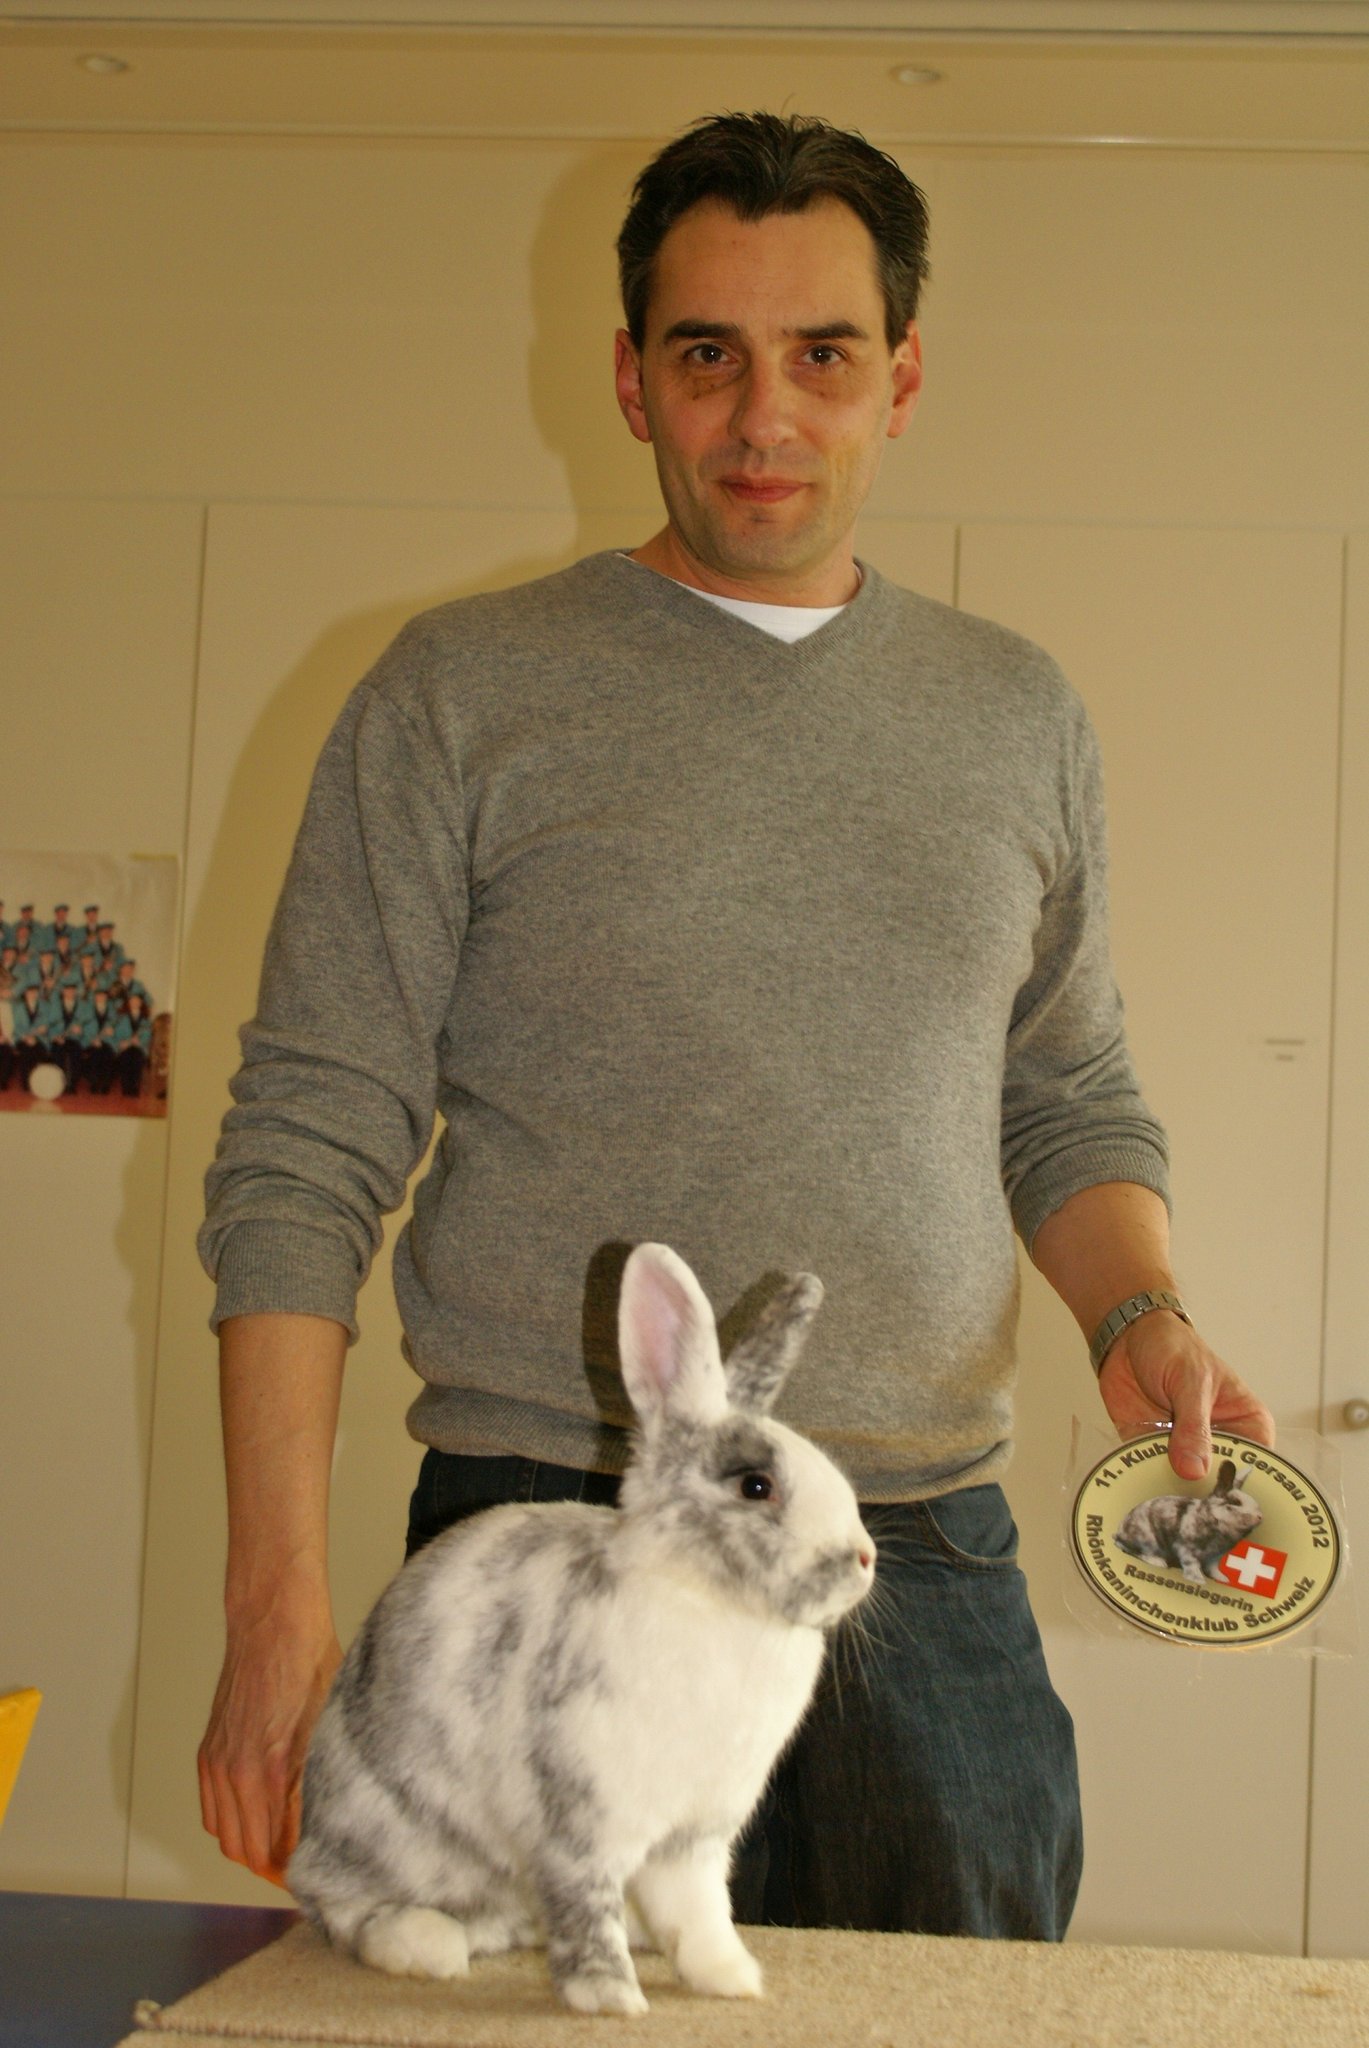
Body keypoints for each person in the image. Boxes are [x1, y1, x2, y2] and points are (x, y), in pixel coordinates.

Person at [197, 112, 1273, 1933]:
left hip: (916, 1561)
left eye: (821, 356)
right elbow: (304, 1149)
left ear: (900, 379)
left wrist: (1138, 1313)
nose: (764, 417)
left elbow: (1063, 1094)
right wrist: (273, 1604)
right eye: (708, 355)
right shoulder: (456, 695)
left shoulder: (1016, 713)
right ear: (631, 379)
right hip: (550, 1543)